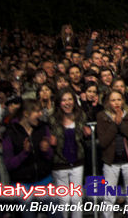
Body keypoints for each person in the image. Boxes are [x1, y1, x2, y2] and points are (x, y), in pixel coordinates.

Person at [96, 90, 128, 218]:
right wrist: (115, 124)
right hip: (111, 162)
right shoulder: (102, 116)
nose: (116, 103)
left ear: (123, 101)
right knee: (109, 196)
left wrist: (121, 123)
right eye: (113, 100)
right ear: (108, 102)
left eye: (119, 99)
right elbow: (103, 142)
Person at [49, 89, 90, 218]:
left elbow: (83, 137)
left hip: (77, 161)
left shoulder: (81, 116)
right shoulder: (52, 119)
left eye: (69, 99)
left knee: (76, 197)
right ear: (59, 103)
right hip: (60, 162)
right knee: (64, 199)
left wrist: (88, 133)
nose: (67, 103)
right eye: (64, 100)